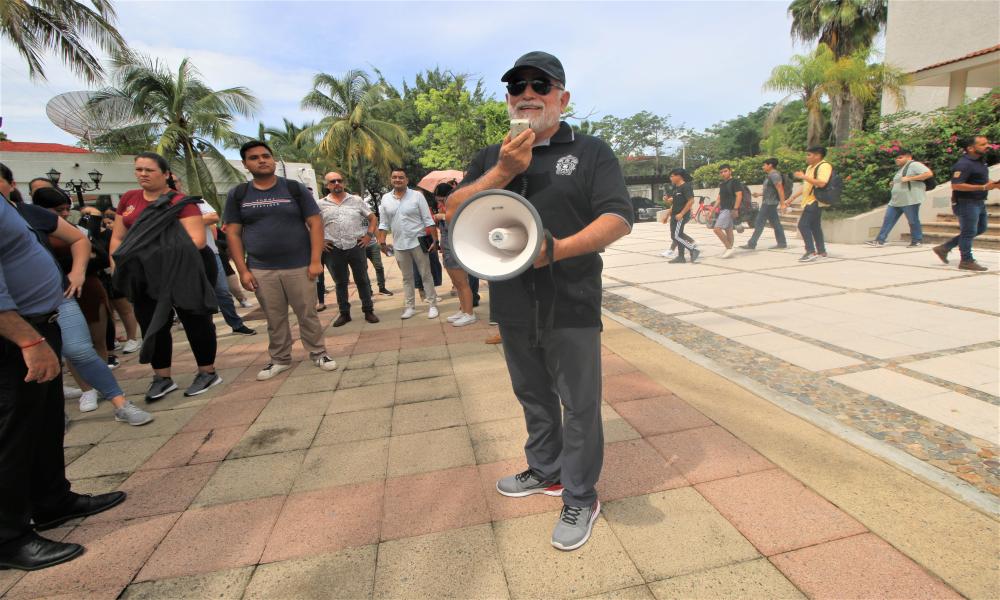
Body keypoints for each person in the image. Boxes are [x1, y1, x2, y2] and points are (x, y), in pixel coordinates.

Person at [446, 51, 632, 551]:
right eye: (516, 86)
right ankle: (546, 471)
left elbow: (617, 217)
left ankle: (580, 493)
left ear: (562, 98)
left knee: (579, 403)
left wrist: (558, 251)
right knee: (531, 394)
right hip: (511, 301)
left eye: (540, 85)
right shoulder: (492, 155)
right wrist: (503, 170)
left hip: (570, 300)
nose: (527, 93)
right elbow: (455, 209)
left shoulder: (591, 151)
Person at [0, 164, 126, 571]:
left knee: (44, 421)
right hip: (16, 336)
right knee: (13, 434)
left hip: (39, 322)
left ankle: (52, 500)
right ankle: (8, 538)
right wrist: (26, 339)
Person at [25, 188, 152, 425]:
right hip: (13, 308)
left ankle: (121, 404)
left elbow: (79, 239)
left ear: (11, 185)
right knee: (36, 360)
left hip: (56, 295)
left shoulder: (27, 214)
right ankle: (53, 414)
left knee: (80, 350)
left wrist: (77, 272)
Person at [110, 152, 222, 400]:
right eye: (138, 169)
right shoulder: (129, 199)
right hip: (142, 276)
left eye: (149, 170)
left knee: (195, 321)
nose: (142, 174)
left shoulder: (181, 202)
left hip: (181, 271)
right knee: (152, 324)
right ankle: (162, 377)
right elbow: (118, 238)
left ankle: (207, 371)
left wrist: (152, 255)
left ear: (165, 174)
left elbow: (197, 240)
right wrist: (119, 263)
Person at [224, 141, 338, 380]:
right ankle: (280, 359)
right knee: (274, 318)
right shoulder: (239, 194)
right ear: (246, 164)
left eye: (266, 156)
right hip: (262, 269)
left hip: (300, 266)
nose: (262, 160)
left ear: (273, 159)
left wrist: (315, 259)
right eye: (254, 158)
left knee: (307, 313)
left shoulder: (293, 189)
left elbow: (315, 223)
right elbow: (233, 233)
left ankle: (318, 353)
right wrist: (243, 270)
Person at [175, 173, 256, 336]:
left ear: (180, 183)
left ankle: (236, 323)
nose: (172, 184)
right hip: (181, 258)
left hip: (210, 254)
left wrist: (183, 220)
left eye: (175, 181)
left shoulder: (195, 201)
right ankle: (206, 328)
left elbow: (213, 216)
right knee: (195, 295)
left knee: (222, 291)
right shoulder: (160, 207)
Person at [317, 171, 379, 326]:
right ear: (327, 185)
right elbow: (311, 225)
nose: (336, 183)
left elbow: (372, 218)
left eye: (339, 180)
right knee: (340, 282)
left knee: (362, 280)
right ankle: (344, 314)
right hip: (333, 249)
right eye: (332, 181)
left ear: (343, 183)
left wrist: (368, 236)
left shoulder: (356, 200)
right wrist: (320, 242)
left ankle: (368, 310)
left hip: (355, 246)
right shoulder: (320, 204)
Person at [377, 169, 440, 319]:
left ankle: (432, 305)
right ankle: (410, 307)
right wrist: (382, 242)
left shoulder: (417, 196)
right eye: (394, 177)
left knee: (426, 274)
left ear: (406, 179)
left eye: (401, 177)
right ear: (391, 179)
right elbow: (384, 223)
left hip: (418, 241)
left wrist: (435, 240)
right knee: (406, 277)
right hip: (399, 244)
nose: (397, 180)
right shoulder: (385, 198)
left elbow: (428, 219)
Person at [932, 135, 996, 271]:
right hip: (966, 203)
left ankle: (944, 248)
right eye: (983, 144)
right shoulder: (963, 164)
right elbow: (956, 185)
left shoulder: (980, 161)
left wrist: (992, 184)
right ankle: (966, 260)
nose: (987, 146)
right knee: (968, 232)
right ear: (971, 148)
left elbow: (979, 178)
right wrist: (982, 187)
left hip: (979, 201)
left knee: (980, 228)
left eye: (987, 143)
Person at [865, 149, 932, 248]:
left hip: (910, 199)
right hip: (896, 200)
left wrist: (909, 178)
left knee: (913, 220)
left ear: (909, 157)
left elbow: (928, 173)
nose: (897, 160)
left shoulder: (914, 165)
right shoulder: (902, 168)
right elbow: (901, 180)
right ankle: (880, 240)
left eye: (900, 157)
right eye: (896, 158)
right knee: (888, 220)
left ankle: (917, 241)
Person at [432, 181, 477, 326]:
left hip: (456, 247)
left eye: (441, 199)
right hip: (446, 247)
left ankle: (469, 313)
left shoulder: (459, 203)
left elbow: (462, 222)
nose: (440, 202)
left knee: (462, 282)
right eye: (437, 200)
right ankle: (463, 310)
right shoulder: (444, 206)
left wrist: (443, 217)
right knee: (456, 283)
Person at [788, 146, 832, 262]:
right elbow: (806, 185)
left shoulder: (824, 166)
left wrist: (804, 176)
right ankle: (821, 251)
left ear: (818, 155)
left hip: (815, 201)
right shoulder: (809, 168)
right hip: (808, 201)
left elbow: (822, 183)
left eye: (809, 155)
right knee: (815, 227)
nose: (806, 157)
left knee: (803, 225)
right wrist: (792, 198)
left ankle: (810, 251)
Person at [742, 158, 789, 250]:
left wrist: (783, 204)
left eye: (764, 165)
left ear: (770, 165)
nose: (763, 167)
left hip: (769, 203)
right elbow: (770, 190)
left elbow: (780, 189)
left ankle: (752, 243)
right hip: (769, 202)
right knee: (775, 223)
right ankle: (782, 243)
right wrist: (759, 194)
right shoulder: (770, 175)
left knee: (759, 222)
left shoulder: (775, 175)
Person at [665, 168, 700, 264]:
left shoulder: (686, 186)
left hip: (681, 215)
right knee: (676, 235)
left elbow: (691, 201)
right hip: (675, 215)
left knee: (676, 236)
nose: (670, 178)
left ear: (679, 176)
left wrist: (681, 214)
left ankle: (693, 249)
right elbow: (675, 202)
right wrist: (668, 202)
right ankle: (681, 257)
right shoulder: (676, 188)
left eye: (672, 176)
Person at [713, 165, 742, 258]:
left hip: (730, 209)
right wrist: (712, 210)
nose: (723, 173)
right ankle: (729, 248)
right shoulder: (722, 184)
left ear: (730, 171)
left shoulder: (735, 182)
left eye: (725, 171)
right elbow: (719, 198)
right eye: (721, 172)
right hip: (723, 209)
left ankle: (729, 248)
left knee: (717, 229)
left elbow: (739, 195)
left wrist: (736, 209)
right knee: (728, 229)